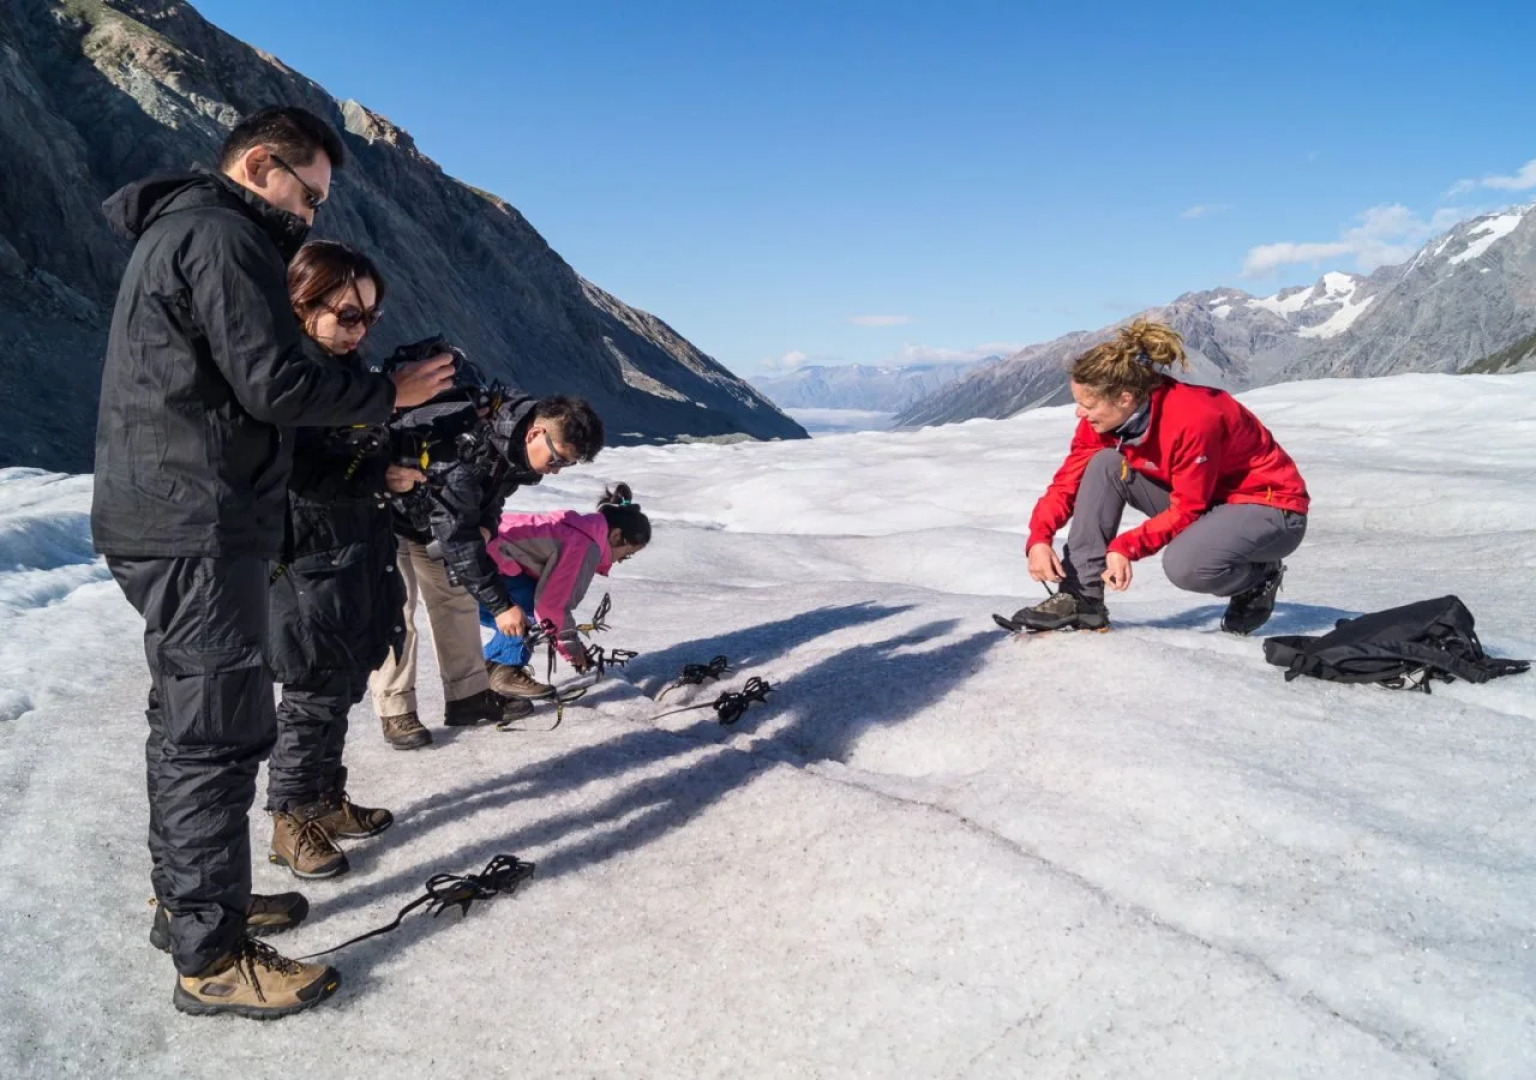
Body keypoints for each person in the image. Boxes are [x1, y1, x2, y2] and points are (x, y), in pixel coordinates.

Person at [93, 106, 454, 1020]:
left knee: (190, 720)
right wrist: (388, 393)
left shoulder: (192, 231)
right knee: (213, 733)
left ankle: (191, 903)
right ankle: (210, 957)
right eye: (308, 195)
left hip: (182, 513)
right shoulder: (221, 236)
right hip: (197, 519)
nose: (310, 218)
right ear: (260, 166)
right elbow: (277, 384)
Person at [262, 240, 421, 880]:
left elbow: (343, 465)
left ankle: (324, 801)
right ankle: (290, 818)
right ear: (303, 305)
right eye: (349, 315)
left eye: (371, 318)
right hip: (309, 559)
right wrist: (373, 470)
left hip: (353, 552)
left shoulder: (343, 373)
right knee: (313, 692)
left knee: (342, 685)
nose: (361, 330)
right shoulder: (288, 376)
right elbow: (297, 476)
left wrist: (384, 472)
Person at [1012, 319, 1309, 636]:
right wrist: (1038, 539)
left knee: (1186, 566)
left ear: (1125, 398)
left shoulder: (1192, 418)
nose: (1079, 414)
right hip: (1209, 502)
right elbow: (1066, 482)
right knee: (1104, 464)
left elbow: (1188, 508)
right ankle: (1081, 597)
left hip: (1271, 509)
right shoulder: (1104, 421)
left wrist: (1125, 546)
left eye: (1087, 404)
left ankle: (1258, 577)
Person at [370, 393, 607, 747]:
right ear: (535, 433)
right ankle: (396, 711)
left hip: (429, 523)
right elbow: (456, 535)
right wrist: (500, 605)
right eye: (557, 459)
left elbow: (492, 499)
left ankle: (467, 697)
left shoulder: (510, 450)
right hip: (386, 515)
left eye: (565, 466)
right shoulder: (469, 445)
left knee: (457, 603)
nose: (556, 469)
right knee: (396, 613)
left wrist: (486, 525)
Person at [480, 483, 652, 698]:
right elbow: (552, 606)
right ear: (616, 536)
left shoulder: (577, 529)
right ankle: (503, 671)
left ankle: (488, 673)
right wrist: (572, 650)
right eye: (626, 554)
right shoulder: (585, 545)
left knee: (530, 604)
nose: (621, 561)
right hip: (480, 567)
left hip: (468, 560)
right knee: (535, 612)